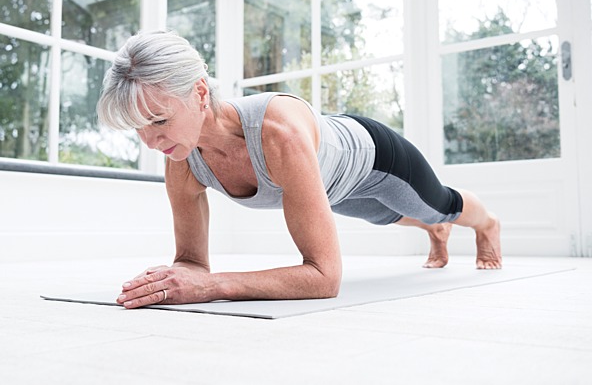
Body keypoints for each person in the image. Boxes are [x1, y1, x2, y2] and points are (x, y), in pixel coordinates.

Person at [97, 31, 502, 309]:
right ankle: (432, 232)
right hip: (332, 183)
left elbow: (325, 278)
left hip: (375, 158)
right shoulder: (181, 159)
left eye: (159, 121)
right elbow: (191, 262)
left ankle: (486, 226)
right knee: (389, 216)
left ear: (200, 93)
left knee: (440, 206)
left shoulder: (279, 134)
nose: (149, 142)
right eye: (138, 128)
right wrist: (176, 278)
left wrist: (214, 286)